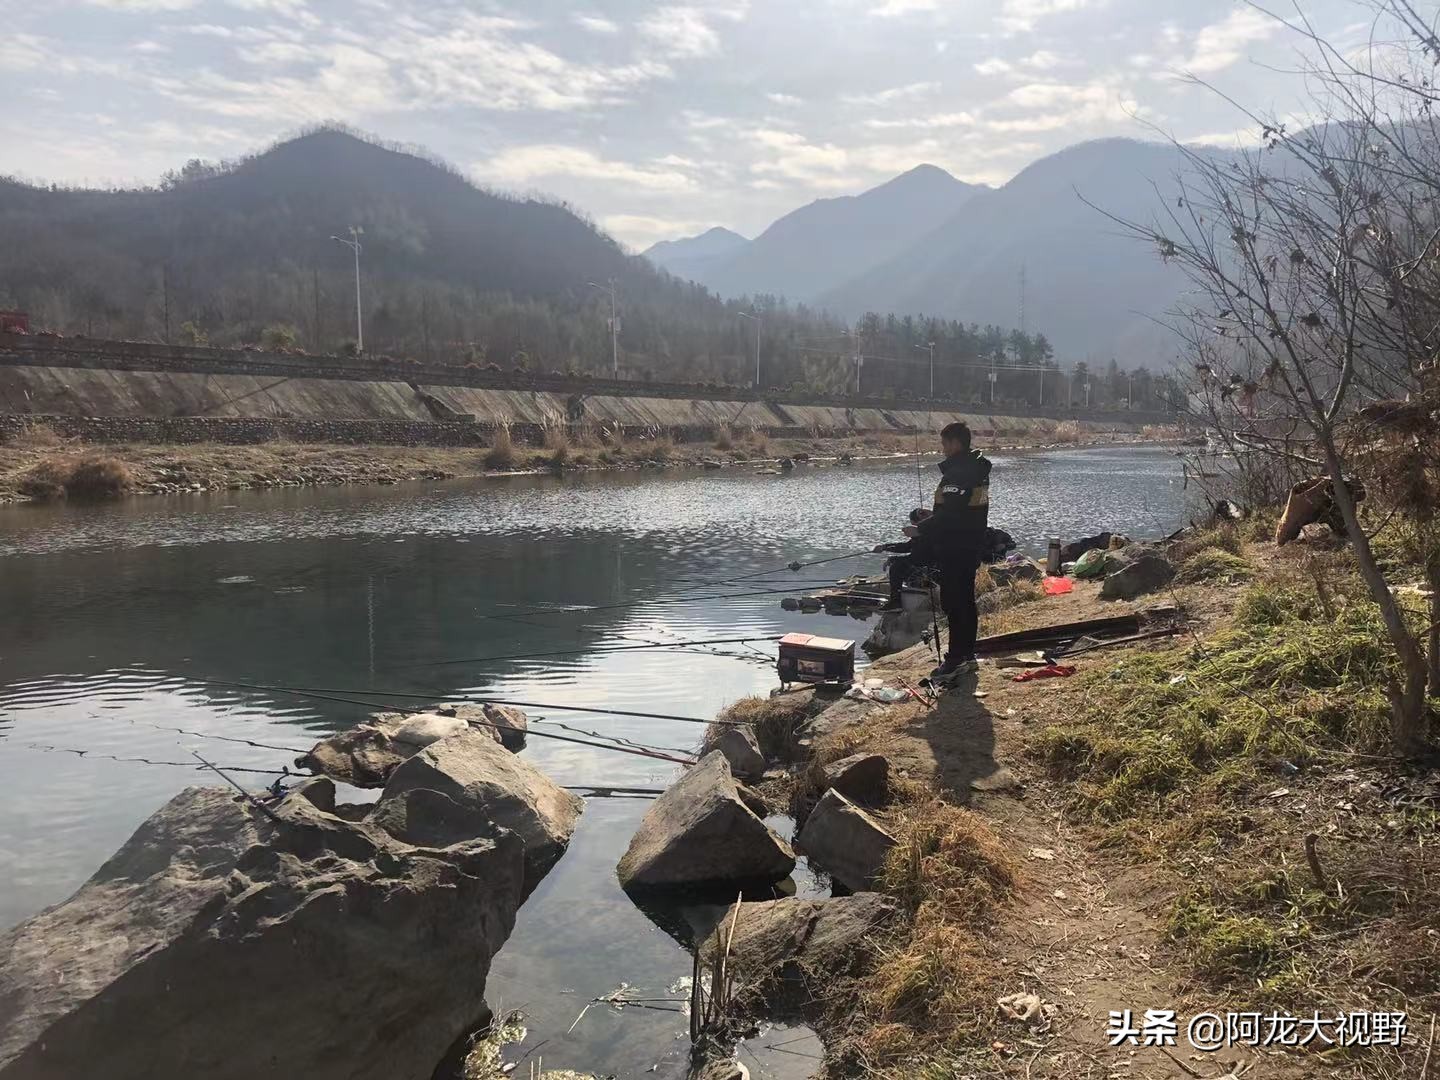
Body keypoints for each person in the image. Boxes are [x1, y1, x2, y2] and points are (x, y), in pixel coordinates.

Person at [906, 421, 991, 678]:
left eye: (944, 443)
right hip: (970, 543)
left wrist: (921, 529)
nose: (942, 449)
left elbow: (952, 516)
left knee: (954, 603)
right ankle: (967, 654)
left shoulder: (959, 473)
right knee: (965, 600)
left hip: (957, 546)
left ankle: (955, 659)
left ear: (955, 443)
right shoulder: (975, 469)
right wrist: (935, 516)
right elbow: (962, 510)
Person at [872, 508, 934, 610]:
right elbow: (907, 547)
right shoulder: (926, 532)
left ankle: (896, 602)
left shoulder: (926, 534)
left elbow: (918, 558)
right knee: (899, 563)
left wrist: (893, 559)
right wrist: (884, 547)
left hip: (931, 568)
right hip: (928, 564)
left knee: (897, 567)